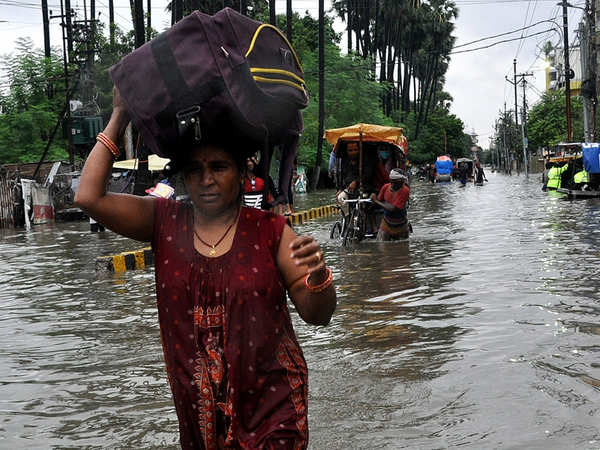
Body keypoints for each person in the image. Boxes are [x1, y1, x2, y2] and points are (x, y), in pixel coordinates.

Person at [74, 88, 336, 449]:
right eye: (195, 170)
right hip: (199, 418)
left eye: (218, 167)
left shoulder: (271, 231)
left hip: (273, 413)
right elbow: (88, 197)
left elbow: (317, 315)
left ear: (242, 172)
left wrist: (320, 278)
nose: (206, 179)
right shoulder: (164, 222)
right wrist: (120, 115)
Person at [370, 169, 410, 240]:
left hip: (401, 226)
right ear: (391, 181)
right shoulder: (385, 187)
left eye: (398, 183)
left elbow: (393, 208)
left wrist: (376, 201)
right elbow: (378, 200)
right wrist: (373, 198)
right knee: (381, 246)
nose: (393, 185)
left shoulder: (405, 190)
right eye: (393, 182)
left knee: (403, 248)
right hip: (386, 224)